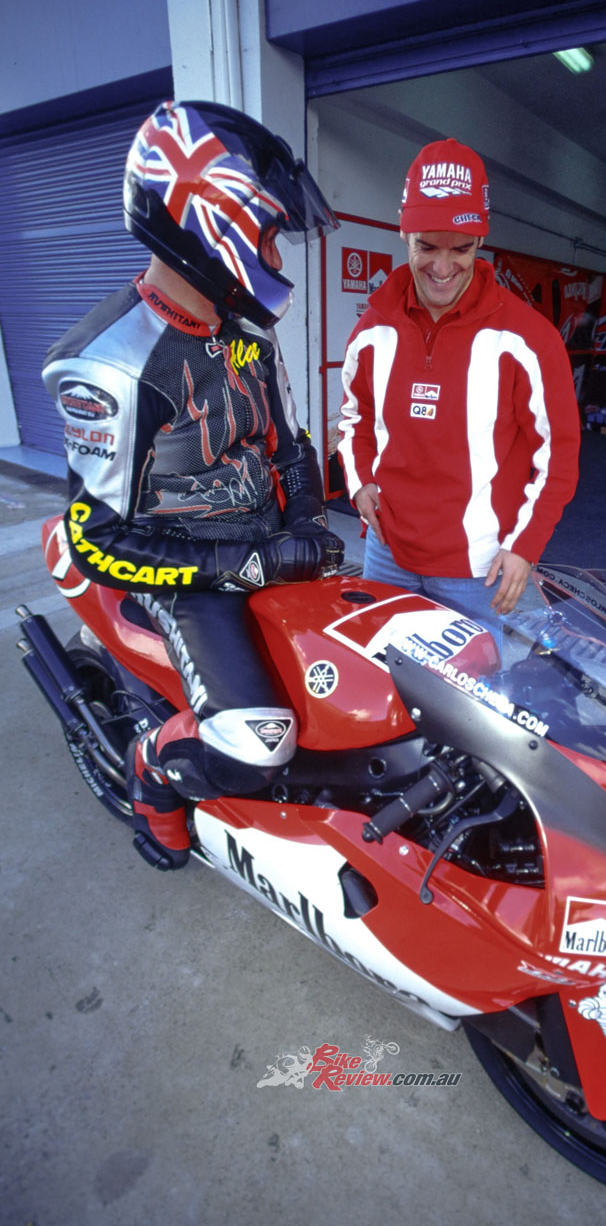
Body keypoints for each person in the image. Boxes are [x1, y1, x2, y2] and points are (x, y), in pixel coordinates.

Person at [42, 100, 343, 870]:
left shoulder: (248, 334)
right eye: (268, 235)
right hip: (185, 573)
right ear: (213, 225)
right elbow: (97, 540)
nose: (274, 254)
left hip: (269, 545)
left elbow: (289, 446)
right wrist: (247, 567)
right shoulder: (108, 362)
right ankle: (153, 775)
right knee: (257, 748)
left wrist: (307, 525)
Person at [337, 138, 580, 638]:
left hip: (478, 572)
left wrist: (525, 546)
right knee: (381, 679)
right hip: (386, 554)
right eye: (427, 246)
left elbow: (557, 455)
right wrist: (359, 482)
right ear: (404, 231)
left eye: (461, 249)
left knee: (475, 688)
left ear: (481, 241)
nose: (443, 268)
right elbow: (354, 420)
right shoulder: (372, 329)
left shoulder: (527, 339)